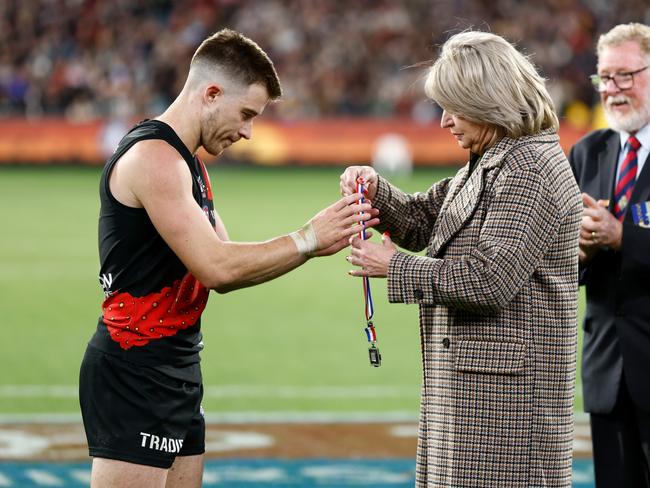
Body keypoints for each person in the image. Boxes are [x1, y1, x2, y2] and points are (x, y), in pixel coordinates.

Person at [79, 29, 378, 488]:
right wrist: (309, 238)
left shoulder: (191, 165)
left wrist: (315, 239)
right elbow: (216, 265)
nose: (246, 131)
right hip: (134, 367)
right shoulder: (154, 158)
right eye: (246, 114)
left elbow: (228, 267)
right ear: (211, 93)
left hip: (177, 367)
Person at [341, 31, 581, 487]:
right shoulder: (496, 158)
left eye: (454, 106)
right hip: (479, 399)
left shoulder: (528, 170)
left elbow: (490, 280)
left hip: (508, 411)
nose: (444, 120)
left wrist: (395, 267)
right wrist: (377, 192)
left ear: (488, 101)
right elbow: (424, 220)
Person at [568, 22, 650, 488]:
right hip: (607, 371)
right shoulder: (588, 153)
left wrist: (623, 237)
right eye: (605, 78)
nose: (613, 90)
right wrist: (578, 250)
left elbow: (623, 237)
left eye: (626, 75)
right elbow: (564, 265)